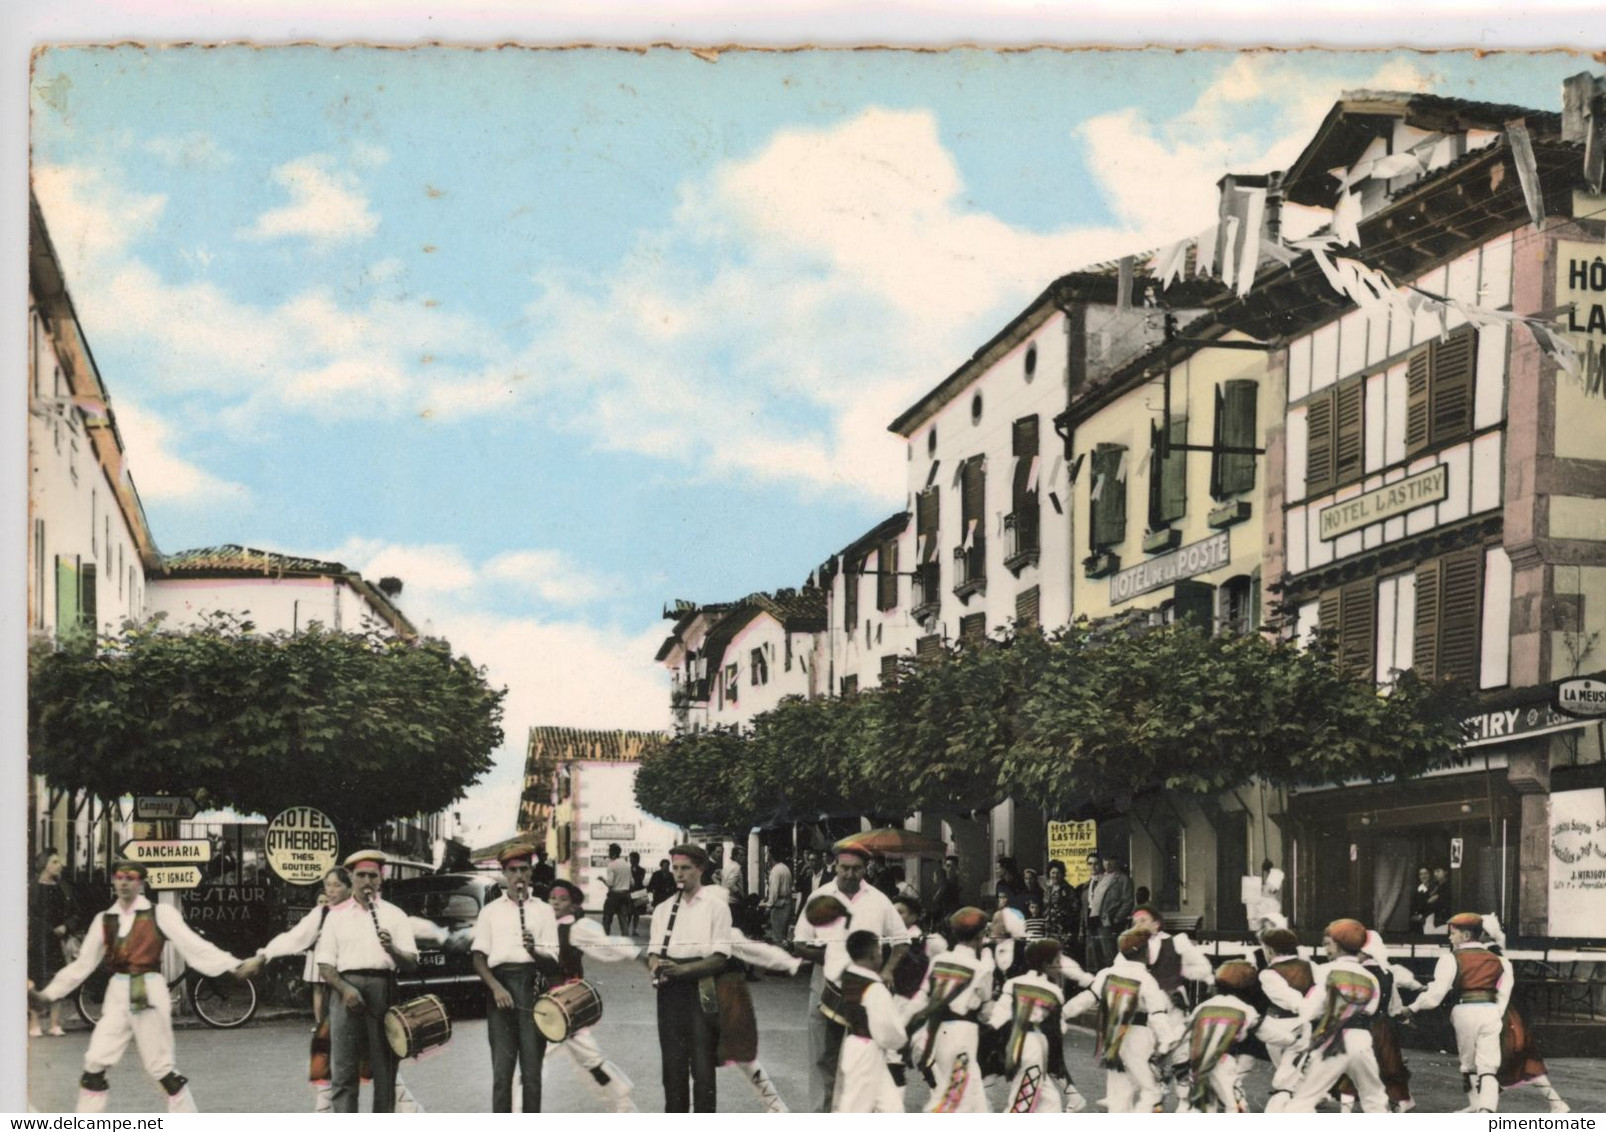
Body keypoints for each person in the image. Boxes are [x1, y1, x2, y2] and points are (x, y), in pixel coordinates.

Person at [29, 859, 252, 1113]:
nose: (124, 883)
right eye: (120, 877)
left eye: (131, 878)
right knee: (95, 1064)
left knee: (162, 1069)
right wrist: (48, 995)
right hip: (118, 993)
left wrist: (233, 966)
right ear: (113, 880)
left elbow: (193, 946)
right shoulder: (105, 920)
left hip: (148, 989)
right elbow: (82, 965)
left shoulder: (160, 914)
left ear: (141, 883)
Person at [793, 840, 911, 1112]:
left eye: (856, 869)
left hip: (867, 988)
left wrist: (888, 971)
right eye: (844, 868)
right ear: (835, 866)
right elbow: (799, 942)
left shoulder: (879, 900)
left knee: (868, 1056)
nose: (849, 874)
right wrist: (831, 958)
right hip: (826, 983)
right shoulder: (819, 897)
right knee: (823, 1056)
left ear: (865, 869)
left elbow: (902, 941)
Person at [315, 849, 419, 1114]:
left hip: (382, 989)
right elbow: (325, 965)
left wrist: (392, 948)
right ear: (351, 878)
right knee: (344, 1070)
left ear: (380, 879)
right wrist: (345, 988)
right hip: (344, 991)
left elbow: (411, 961)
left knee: (384, 1070)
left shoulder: (395, 915)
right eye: (360, 875)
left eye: (372, 876)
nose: (367, 882)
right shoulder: (336, 916)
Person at [471, 844, 560, 1113]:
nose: (519, 876)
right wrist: (496, 988)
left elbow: (553, 960)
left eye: (524, 869)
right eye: (513, 870)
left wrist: (534, 950)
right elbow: (478, 957)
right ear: (504, 873)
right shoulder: (490, 911)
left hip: (532, 987)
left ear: (531, 872)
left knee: (532, 1073)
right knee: (502, 1074)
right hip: (500, 990)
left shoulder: (543, 910)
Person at [648, 843, 733, 1112]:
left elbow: (720, 958)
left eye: (685, 868)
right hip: (670, 991)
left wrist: (682, 971)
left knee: (703, 1068)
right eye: (675, 868)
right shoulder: (664, 909)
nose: (679, 874)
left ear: (701, 869)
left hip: (702, 987)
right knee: (672, 1068)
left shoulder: (716, 907)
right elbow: (652, 952)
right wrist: (656, 968)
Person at [542, 879, 640, 1112]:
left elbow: (609, 944)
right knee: (536, 1064)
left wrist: (640, 954)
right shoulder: (544, 927)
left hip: (568, 1007)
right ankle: (623, 1106)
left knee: (591, 1062)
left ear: (575, 906)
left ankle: (624, 1106)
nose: (555, 902)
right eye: (552, 898)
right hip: (547, 1009)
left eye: (563, 899)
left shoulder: (577, 929)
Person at [1061, 927, 1180, 1114]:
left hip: (1114, 1039)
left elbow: (1086, 999)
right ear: (1145, 952)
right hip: (1139, 1037)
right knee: (1151, 1090)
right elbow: (1157, 1013)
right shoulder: (1146, 979)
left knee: (1118, 1091)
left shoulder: (1107, 974)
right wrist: (1166, 1040)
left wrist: (1062, 1013)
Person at [1406, 910, 1513, 1112]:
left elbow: (1436, 995)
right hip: (1490, 1010)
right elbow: (1504, 993)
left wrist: (1413, 1007)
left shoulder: (1451, 959)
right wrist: (1495, 1013)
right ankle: (1486, 1110)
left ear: (1465, 935)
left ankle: (1475, 1104)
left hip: (1464, 1010)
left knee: (1468, 1064)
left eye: (1453, 933)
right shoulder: (1501, 961)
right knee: (1489, 1065)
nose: (1449, 937)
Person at [1284, 918, 1387, 1113]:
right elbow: (1371, 1008)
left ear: (1338, 946)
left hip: (1332, 1041)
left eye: (1328, 944)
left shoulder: (1325, 971)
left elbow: (1312, 1008)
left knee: (1303, 1100)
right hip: (1362, 1040)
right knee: (1374, 1097)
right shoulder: (1371, 977)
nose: (1326, 949)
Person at [906, 907, 996, 1113]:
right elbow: (986, 1012)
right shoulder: (981, 968)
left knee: (973, 1098)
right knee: (955, 1099)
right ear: (980, 936)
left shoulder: (939, 960)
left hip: (937, 1034)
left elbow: (922, 996)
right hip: (963, 1036)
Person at [1129, 903, 1213, 1110]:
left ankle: (1185, 1100)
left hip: (1171, 1002)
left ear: (1156, 924)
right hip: (1146, 1007)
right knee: (1151, 1052)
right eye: (1135, 922)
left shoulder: (1176, 943)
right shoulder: (1131, 947)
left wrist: (1183, 974)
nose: (1137, 925)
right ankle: (1156, 1097)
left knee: (1179, 1051)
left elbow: (1200, 968)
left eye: (1143, 921)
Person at [985, 938, 1075, 1112]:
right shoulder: (1054, 992)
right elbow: (1058, 1030)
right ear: (1047, 964)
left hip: (1015, 1046)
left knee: (1051, 1103)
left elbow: (998, 1017)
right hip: (1034, 1051)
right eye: (1057, 961)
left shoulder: (1013, 983)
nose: (1061, 966)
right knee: (1021, 1106)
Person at [832, 930, 906, 1113]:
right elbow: (887, 1030)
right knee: (856, 1108)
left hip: (857, 1046)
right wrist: (900, 1041)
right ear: (875, 954)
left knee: (892, 1107)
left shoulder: (848, 978)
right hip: (868, 1051)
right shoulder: (874, 988)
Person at [1181, 960, 1261, 1113]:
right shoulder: (1247, 1010)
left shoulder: (1202, 1007)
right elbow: (1245, 1036)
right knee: (1234, 1104)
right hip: (1224, 1060)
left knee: (1202, 1103)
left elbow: (1189, 1032)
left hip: (1197, 1061)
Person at [1256, 927, 1314, 1113]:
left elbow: (1289, 999)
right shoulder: (1309, 966)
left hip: (1278, 1026)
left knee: (1284, 1073)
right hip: (1302, 1025)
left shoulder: (1268, 974)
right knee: (1290, 1071)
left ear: (1270, 950)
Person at [29, 849, 71, 1038]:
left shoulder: (63, 887)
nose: (58, 865)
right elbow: (30, 914)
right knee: (35, 981)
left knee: (58, 979)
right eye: (54, 861)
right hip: (37, 940)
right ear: (45, 864)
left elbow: (75, 911)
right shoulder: (32, 887)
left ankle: (54, 1024)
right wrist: (47, 928)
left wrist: (66, 926)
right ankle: (35, 1024)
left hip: (56, 941)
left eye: (58, 861)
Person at [601, 843, 634, 936]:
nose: (608, 854)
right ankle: (625, 941)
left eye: (609, 852)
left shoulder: (611, 865)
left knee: (607, 919)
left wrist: (602, 880)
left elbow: (610, 884)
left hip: (614, 896)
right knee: (624, 920)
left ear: (613, 853)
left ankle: (605, 939)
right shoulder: (627, 865)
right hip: (625, 895)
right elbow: (632, 882)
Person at [762, 849, 793, 945]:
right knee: (783, 935)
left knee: (777, 936)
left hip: (779, 905)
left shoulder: (775, 870)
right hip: (787, 903)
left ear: (771, 857)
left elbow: (774, 891)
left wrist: (768, 907)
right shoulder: (785, 868)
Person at [1040, 860, 1076, 943]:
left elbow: (1074, 910)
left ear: (1062, 874)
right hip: (1049, 930)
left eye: (1058, 873)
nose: (1055, 875)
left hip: (1063, 931)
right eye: (1053, 873)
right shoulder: (1047, 890)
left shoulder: (1068, 890)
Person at [931, 855, 963, 929]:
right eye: (946, 866)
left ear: (957, 869)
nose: (946, 869)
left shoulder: (958, 885)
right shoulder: (944, 885)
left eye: (949, 866)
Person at [627, 851, 648, 935]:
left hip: (638, 892)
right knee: (628, 911)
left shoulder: (642, 870)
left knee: (636, 912)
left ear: (637, 860)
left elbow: (639, 880)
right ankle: (626, 928)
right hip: (629, 892)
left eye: (632, 859)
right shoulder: (627, 869)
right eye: (630, 859)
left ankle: (635, 929)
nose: (631, 860)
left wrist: (634, 872)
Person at [1408, 867, 1433, 933]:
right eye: (1421, 874)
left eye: (1426, 873)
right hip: (1420, 925)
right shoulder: (1416, 892)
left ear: (1430, 874)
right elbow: (1412, 912)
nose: (1423, 876)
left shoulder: (1435, 888)